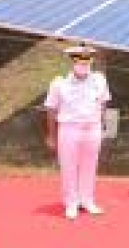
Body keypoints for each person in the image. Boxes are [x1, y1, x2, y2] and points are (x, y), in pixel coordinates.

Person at [44, 45, 111, 220]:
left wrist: (103, 125)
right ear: (73, 62)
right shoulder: (59, 83)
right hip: (69, 129)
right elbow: (51, 110)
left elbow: (103, 103)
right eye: (80, 62)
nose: (83, 65)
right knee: (68, 166)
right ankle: (71, 202)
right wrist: (51, 135)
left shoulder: (99, 79)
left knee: (90, 165)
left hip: (93, 127)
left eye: (86, 62)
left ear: (91, 62)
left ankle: (87, 200)